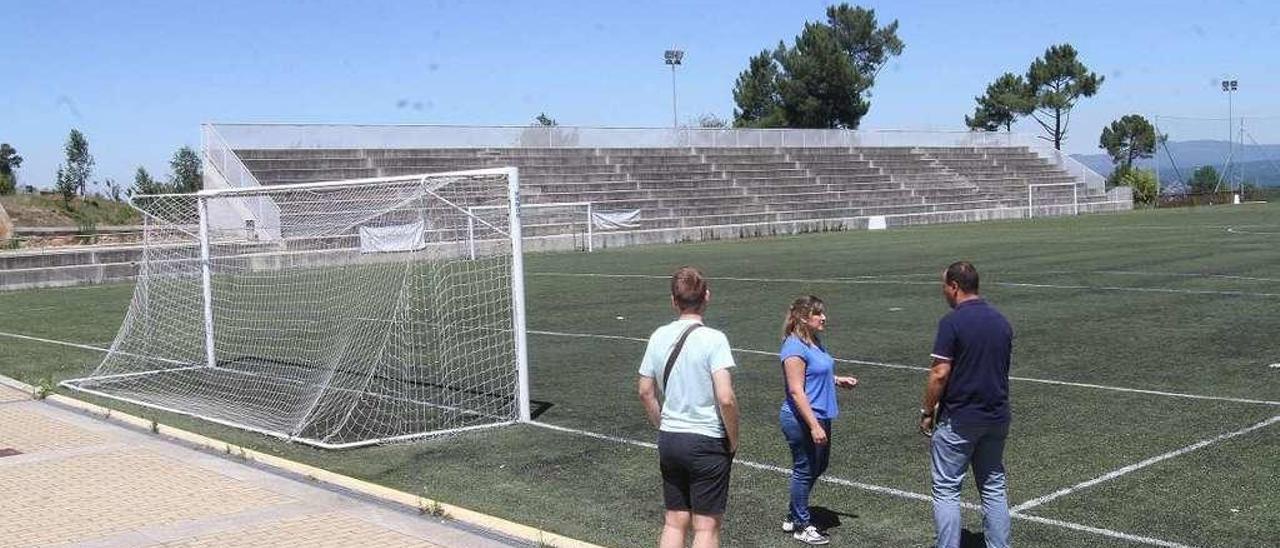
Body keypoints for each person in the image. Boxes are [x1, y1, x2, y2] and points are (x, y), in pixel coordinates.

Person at [637, 266, 739, 548]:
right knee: (706, 526)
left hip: (671, 438)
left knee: (674, 519)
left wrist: (664, 426)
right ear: (707, 296)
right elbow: (726, 398)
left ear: (673, 300)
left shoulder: (658, 336)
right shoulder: (714, 339)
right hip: (706, 439)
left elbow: (646, 391)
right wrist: (733, 438)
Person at [919, 261, 1014, 548]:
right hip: (996, 415)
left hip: (960, 418)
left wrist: (927, 411)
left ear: (955, 286)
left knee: (947, 489)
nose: (944, 292)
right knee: (993, 486)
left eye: (944, 286)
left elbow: (940, 372)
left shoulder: (952, 322)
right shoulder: (1001, 321)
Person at [778, 295, 858, 545]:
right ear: (803, 318)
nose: (824, 317)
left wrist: (837, 380)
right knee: (805, 468)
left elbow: (814, 374)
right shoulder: (793, 347)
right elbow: (796, 390)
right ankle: (801, 524)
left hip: (820, 414)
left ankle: (793, 514)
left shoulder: (814, 342)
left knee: (818, 466)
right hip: (802, 418)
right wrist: (813, 425)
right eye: (817, 313)